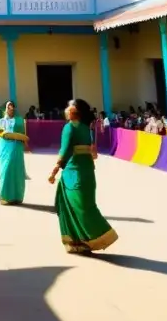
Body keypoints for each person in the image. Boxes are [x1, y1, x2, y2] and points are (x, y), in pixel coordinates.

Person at [49, 99, 117, 254]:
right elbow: (94, 154)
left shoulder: (69, 128)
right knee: (86, 205)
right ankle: (84, 240)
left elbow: (65, 150)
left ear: (76, 111)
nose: (66, 109)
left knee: (73, 205)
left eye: (69, 106)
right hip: (87, 172)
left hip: (73, 172)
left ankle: (85, 237)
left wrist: (55, 169)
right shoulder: (87, 129)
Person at [0, 101, 28, 205]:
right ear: (5, 109)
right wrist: (4, 134)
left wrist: (24, 144)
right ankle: (5, 196)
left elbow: (23, 134)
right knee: (6, 170)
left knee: (17, 171)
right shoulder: (1, 121)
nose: (10, 110)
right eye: (8, 108)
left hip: (17, 149)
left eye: (12, 108)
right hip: (5, 149)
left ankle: (17, 197)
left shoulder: (19, 120)